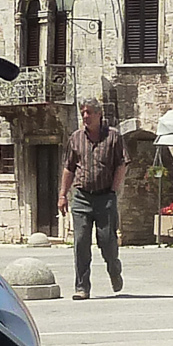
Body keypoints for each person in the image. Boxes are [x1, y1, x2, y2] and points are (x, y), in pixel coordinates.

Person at [57, 99, 126, 299]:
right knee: (80, 242)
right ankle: (82, 287)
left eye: (89, 112)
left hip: (105, 197)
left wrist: (113, 190)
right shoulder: (76, 138)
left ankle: (114, 269)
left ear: (99, 114)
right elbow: (69, 167)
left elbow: (122, 164)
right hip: (81, 198)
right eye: (83, 113)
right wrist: (62, 194)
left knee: (107, 242)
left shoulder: (113, 137)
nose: (85, 116)